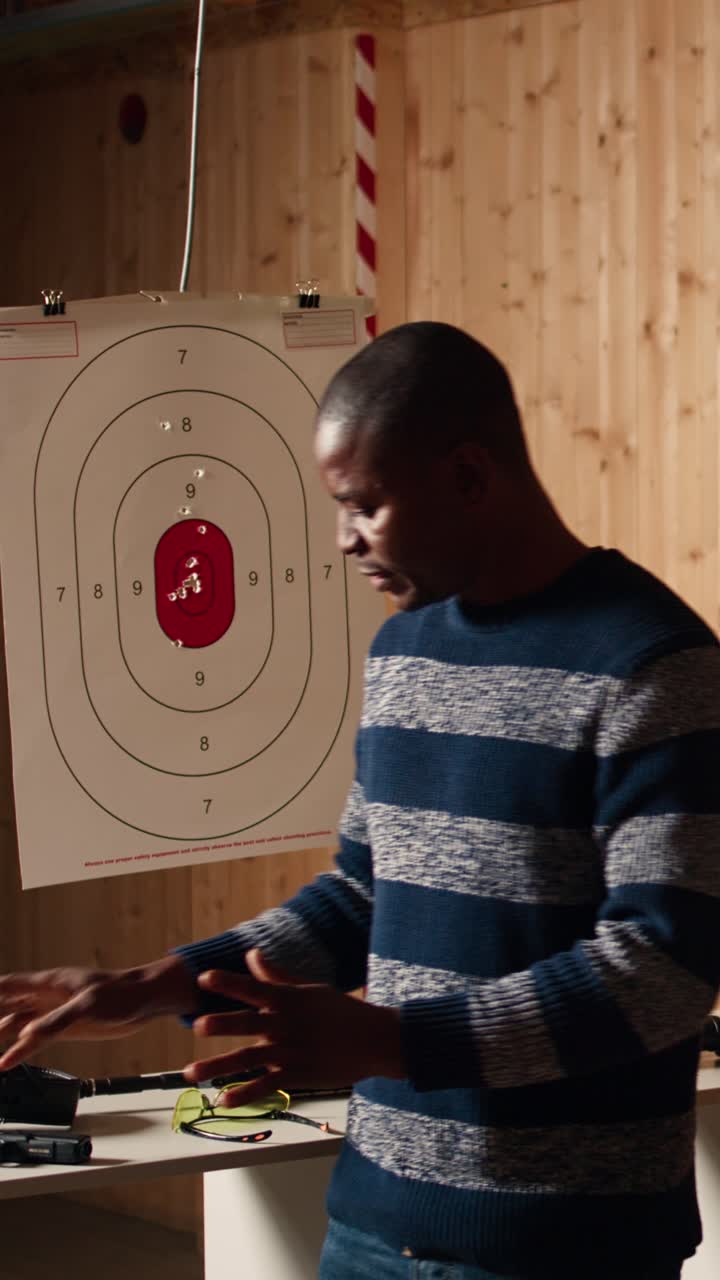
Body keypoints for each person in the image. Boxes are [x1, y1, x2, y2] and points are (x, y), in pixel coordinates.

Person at [1, 321, 719, 1280]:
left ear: (470, 476)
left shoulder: (654, 668)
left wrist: (392, 1039)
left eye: (366, 506)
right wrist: (156, 984)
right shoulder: (404, 652)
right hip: (373, 1224)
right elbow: (362, 896)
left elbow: (664, 971)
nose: (342, 540)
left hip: (568, 1248)